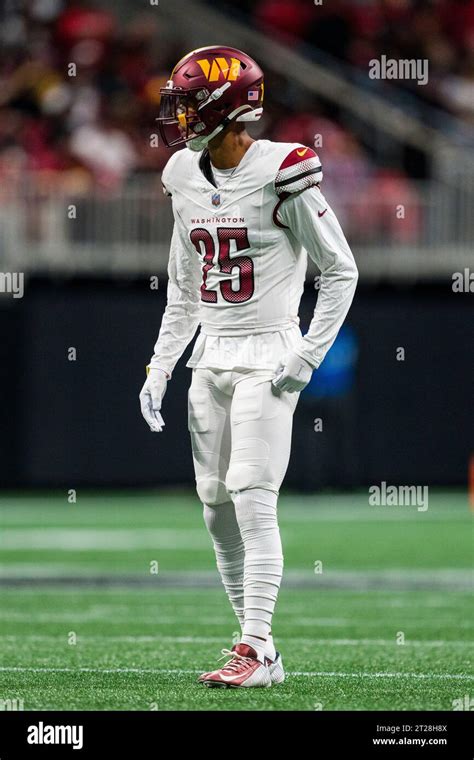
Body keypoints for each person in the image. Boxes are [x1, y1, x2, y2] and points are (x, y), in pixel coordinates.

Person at [139, 45, 358, 688]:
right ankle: (255, 646)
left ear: (222, 105)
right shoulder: (182, 173)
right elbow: (183, 284)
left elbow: (340, 269)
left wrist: (306, 354)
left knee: (251, 497)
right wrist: (160, 365)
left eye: (186, 102)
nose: (177, 116)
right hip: (210, 354)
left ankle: (256, 645)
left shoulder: (281, 168)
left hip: (268, 352)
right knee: (213, 504)